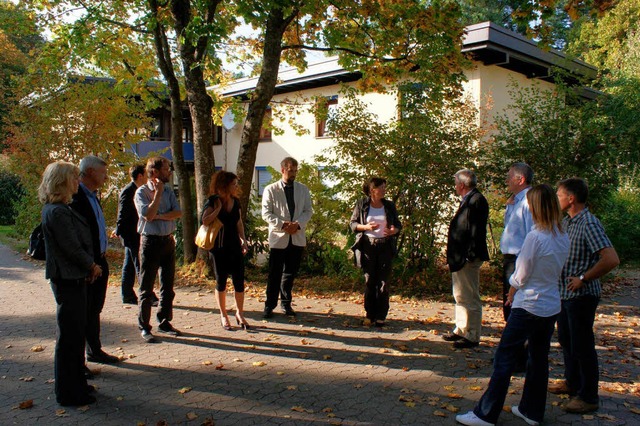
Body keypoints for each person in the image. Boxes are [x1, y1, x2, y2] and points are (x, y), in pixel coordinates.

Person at [456, 184, 570, 426]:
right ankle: (532, 410)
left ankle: (485, 413)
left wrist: (511, 291)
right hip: (550, 305)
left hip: (528, 304)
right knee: (539, 358)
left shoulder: (536, 237)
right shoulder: (562, 235)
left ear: (537, 207)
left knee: (504, 358)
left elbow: (521, 274)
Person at [550, 178, 620, 413]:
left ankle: (589, 397)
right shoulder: (568, 222)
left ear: (571, 198)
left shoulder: (588, 223)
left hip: (582, 296)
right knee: (567, 341)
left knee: (582, 345)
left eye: (559, 194)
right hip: (564, 295)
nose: (556, 198)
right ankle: (572, 383)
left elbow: (611, 258)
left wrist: (584, 278)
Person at [39, 161, 103, 406]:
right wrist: (91, 265)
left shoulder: (62, 208)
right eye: (74, 179)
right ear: (63, 181)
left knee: (76, 337)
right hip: (68, 279)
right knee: (69, 339)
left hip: (75, 278)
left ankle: (78, 385)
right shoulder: (56, 211)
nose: (78, 182)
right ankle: (68, 392)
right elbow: (71, 247)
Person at [70, 156, 119, 365]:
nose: (106, 177)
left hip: (100, 260)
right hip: (89, 264)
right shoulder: (76, 197)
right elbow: (77, 235)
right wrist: (89, 264)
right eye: (102, 172)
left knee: (95, 309)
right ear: (90, 172)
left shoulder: (93, 195)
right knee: (84, 312)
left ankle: (94, 350)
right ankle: (79, 361)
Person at [134, 157, 182, 342]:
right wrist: (158, 195)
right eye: (166, 169)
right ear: (154, 172)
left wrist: (160, 216)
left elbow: (178, 212)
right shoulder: (141, 192)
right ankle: (144, 326)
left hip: (168, 241)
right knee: (146, 288)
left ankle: (164, 321)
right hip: (150, 243)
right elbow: (147, 215)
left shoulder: (169, 190)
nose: (169, 172)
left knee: (167, 287)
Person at [261, 157, 313, 319]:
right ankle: (269, 305)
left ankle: (286, 303)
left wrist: (297, 225)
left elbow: (308, 211)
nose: (293, 174)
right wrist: (284, 225)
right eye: (291, 170)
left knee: (290, 273)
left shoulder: (303, 189)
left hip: (296, 237)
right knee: (274, 273)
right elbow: (266, 213)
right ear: (283, 170)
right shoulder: (271, 189)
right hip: (279, 238)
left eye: (295, 171)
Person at [443, 169, 489, 348]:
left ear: (462, 185)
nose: (454, 185)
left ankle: (472, 334)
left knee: (470, 296)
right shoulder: (467, 200)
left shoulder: (477, 200)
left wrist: (470, 255)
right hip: (459, 256)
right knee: (460, 294)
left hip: (468, 257)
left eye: (455, 182)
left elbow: (477, 231)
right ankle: (461, 328)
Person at [350, 177, 402, 327]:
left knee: (384, 282)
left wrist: (394, 230)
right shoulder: (362, 204)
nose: (384, 190)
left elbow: (398, 225)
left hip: (385, 246)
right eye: (382, 188)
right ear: (373, 190)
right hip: (368, 247)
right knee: (370, 281)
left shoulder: (389, 205)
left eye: (385, 187)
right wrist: (366, 227)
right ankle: (370, 314)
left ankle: (381, 316)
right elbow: (352, 224)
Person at [201, 171, 250, 330]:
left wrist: (243, 239)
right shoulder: (213, 201)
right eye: (234, 184)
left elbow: (239, 222)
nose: (237, 187)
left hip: (234, 245)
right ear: (224, 185)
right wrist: (218, 209)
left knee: (239, 281)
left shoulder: (236, 202)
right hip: (219, 247)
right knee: (221, 281)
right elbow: (205, 221)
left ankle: (240, 313)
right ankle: (223, 315)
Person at [500, 162, 534, 321]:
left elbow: (532, 235)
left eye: (509, 177)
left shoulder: (529, 202)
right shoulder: (515, 200)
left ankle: (520, 342)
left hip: (520, 259)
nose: (507, 180)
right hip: (511, 259)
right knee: (509, 301)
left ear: (521, 180)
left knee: (515, 302)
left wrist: (524, 262)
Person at [115, 165, 147, 304]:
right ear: (140, 176)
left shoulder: (135, 190)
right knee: (139, 263)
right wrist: (118, 230)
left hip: (133, 233)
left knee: (129, 265)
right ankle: (146, 294)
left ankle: (127, 294)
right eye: (146, 174)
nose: (147, 178)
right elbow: (122, 214)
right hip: (131, 234)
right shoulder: (129, 191)